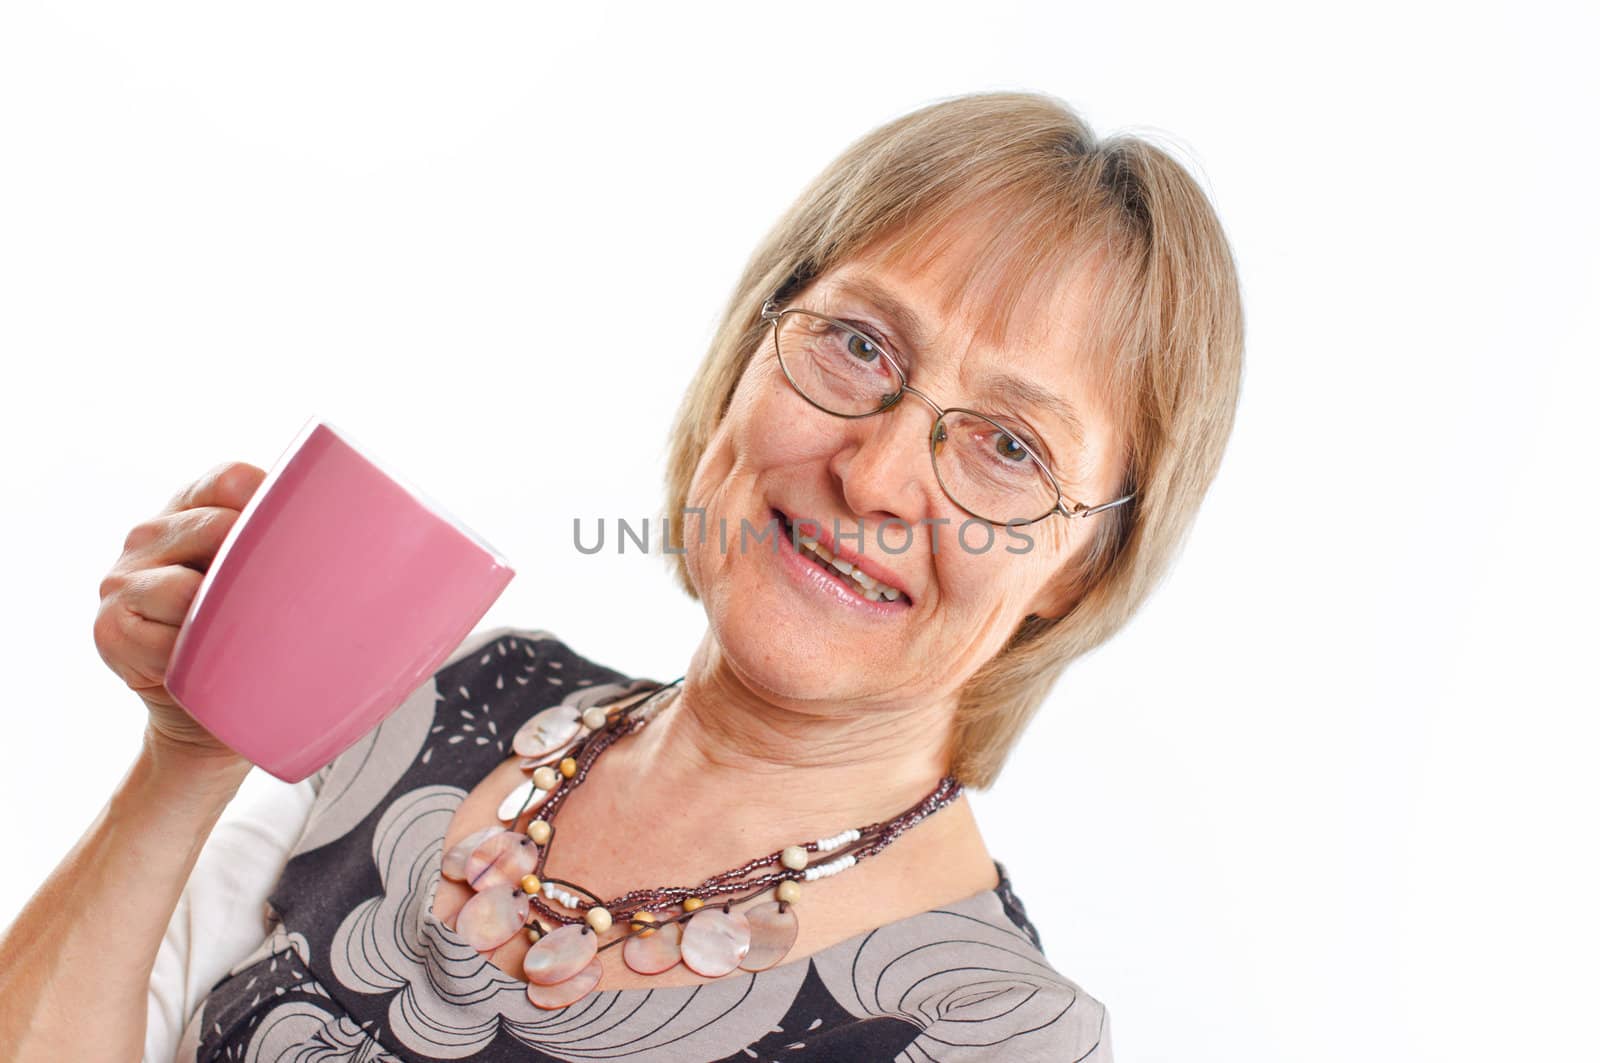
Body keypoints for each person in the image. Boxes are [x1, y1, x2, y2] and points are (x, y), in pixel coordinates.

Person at [0, 90, 1243, 1061]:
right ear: (748, 355)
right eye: (859, 345)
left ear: (1079, 571)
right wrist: (187, 753)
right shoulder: (466, 697)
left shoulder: (999, 1037)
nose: (874, 478)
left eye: (1009, 447)